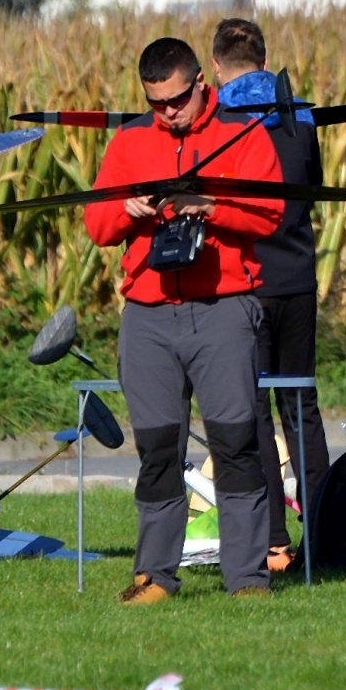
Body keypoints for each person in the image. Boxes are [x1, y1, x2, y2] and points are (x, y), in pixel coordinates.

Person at [85, 37, 285, 604]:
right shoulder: (129, 144)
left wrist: (209, 208)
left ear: (202, 82)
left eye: (177, 100)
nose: (168, 113)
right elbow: (97, 227)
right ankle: (155, 576)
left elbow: (271, 214)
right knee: (156, 449)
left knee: (235, 441)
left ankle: (247, 577)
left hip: (224, 308)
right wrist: (126, 211)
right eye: (156, 103)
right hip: (148, 315)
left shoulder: (243, 135)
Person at [211, 17, 328, 574]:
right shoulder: (299, 112)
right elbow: (314, 184)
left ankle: (272, 541)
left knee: (251, 408)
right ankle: (325, 534)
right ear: (264, 57)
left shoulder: (216, 118)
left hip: (247, 279)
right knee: (301, 406)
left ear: (215, 67)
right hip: (299, 273)